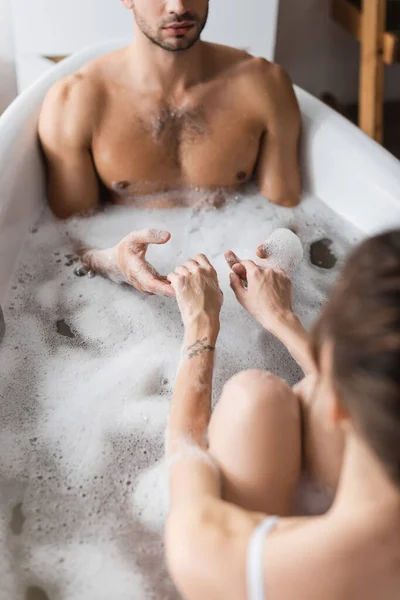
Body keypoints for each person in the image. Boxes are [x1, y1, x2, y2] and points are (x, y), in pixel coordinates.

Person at [164, 230, 400, 600]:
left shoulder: (260, 570)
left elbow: (185, 447)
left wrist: (200, 323)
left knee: (252, 397)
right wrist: (281, 318)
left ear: (336, 403)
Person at [38, 0, 301, 297]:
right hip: (120, 300)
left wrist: (274, 260)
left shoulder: (265, 86)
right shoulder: (74, 102)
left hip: (238, 290)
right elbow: (65, 239)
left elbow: (287, 211)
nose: (178, 6)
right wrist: (112, 262)